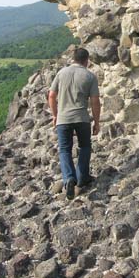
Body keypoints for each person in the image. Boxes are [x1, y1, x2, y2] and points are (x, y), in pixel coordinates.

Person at [48, 47, 101, 200]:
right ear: (87, 60)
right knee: (84, 146)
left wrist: (55, 115)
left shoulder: (61, 73)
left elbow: (51, 96)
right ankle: (82, 177)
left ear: (73, 58)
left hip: (63, 119)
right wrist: (96, 122)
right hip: (82, 118)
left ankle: (69, 179)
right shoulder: (90, 76)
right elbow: (95, 101)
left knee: (65, 149)